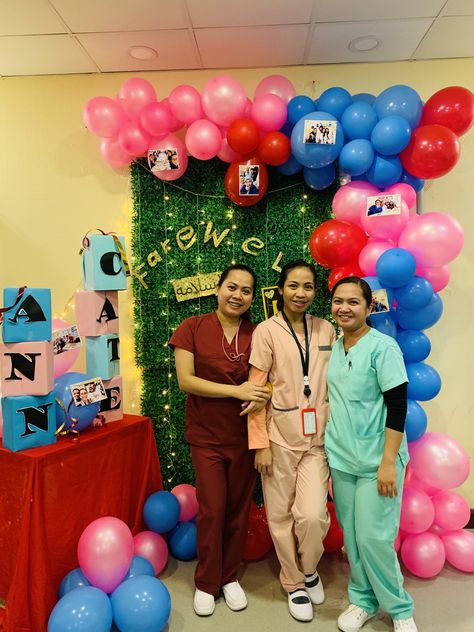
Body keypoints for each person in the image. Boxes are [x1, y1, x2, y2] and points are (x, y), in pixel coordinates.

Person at [169, 264, 270, 617]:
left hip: (244, 437)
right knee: (212, 508)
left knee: (237, 509)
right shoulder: (192, 327)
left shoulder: (259, 333)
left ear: (251, 297)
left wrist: (262, 392)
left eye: (245, 291)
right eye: (231, 287)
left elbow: (271, 379)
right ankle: (206, 582)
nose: (237, 295)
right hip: (207, 437)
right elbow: (186, 381)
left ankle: (229, 578)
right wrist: (236, 390)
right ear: (218, 289)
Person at [325, 277, 417, 632]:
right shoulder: (334, 347)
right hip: (342, 457)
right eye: (337, 301)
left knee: (374, 537)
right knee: (351, 536)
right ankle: (361, 599)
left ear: (369, 307)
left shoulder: (383, 347)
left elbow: (397, 408)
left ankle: (399, 608)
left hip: (379, 459)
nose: (344, 308)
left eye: (353, 302)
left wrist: (388, 463)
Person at [246, 260, 336, 622]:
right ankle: (294, 581)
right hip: (279, 438)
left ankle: (310, 566)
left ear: (316, 292)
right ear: (281, 289)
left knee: (312, 514)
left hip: (318, 441)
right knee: (280, 516)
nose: (301, 293)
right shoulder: (266, 332)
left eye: (309, 287)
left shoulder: (327, 329)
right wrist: (260, 443)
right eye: (294, 286)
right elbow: (256, 391)